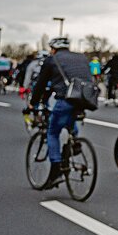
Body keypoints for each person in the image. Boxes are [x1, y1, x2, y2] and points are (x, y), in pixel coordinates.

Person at [29, 37, 93, 188]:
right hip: (85, 98)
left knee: (52, 132)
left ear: (53, 49)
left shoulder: (52, 60)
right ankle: (74, 143)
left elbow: (42, 84)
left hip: (66, 99)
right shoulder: (81, 57)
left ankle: (56, 169)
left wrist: (33, 103)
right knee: (70, 119)